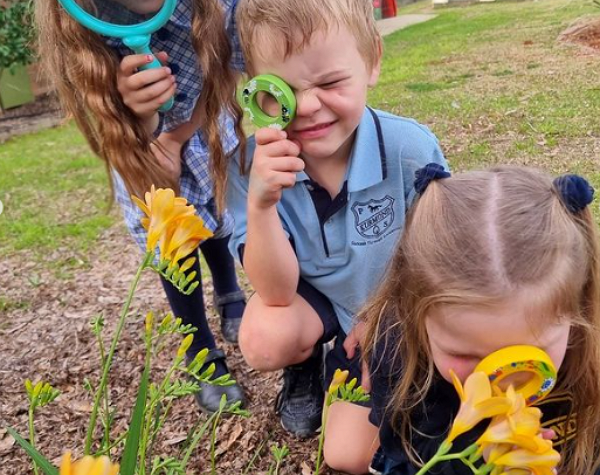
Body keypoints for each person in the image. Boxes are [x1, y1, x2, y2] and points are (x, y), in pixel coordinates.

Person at [227, 0, 447, 472]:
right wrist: (262, 204)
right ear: (254, 91)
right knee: (264, 338)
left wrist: (389, 320)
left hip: (398, 303)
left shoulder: (410, 148)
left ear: (372, 61)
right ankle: (309, 361)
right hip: (319, 298)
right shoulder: (249, 167)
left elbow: (440, 256)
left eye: (329, 83)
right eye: (279, 91)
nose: (306, 107)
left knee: (346, 454)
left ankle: (359, 356)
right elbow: (275, 292)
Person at [34, 0, 247, 413]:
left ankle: (228, 290)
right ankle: (200, 350)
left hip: (207, 125)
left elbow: (226, 70)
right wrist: (144, 115)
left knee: (219, 219)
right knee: (171, 242)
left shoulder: (211, 7)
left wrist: (176, 136)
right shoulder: (84, 24)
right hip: (141, 151)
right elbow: (112, 118)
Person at [361, 165, 600, 475]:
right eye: (464, 355)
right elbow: (404, 445)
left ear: (576, 314)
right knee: (348, 454)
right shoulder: (394, 348)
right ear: (414, 316)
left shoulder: (588, 350)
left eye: (528, 355)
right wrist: (481, 460)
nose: (497, 376)